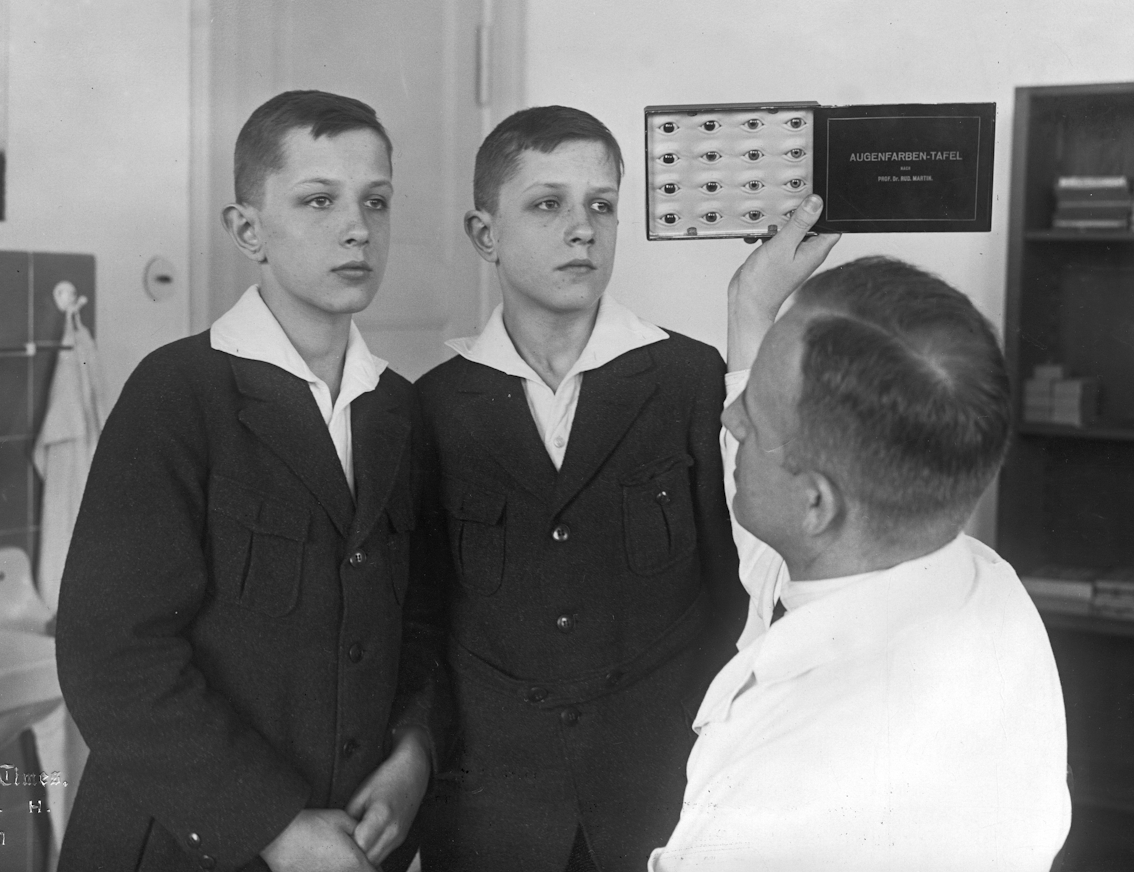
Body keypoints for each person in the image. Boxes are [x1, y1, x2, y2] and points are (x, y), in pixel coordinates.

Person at [56, 90, 447, 872]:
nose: (356, 228)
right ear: (246, 229)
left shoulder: (399, 408)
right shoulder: (178, 394)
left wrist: (415, 755)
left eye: (376, 201)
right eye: (317, 200)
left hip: (353, 844)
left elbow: (422, 627)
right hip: (180, 842)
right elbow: (112, 656)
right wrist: (272, 826)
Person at [649, 198, 1071, 871]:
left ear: (817, 502)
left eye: (751, 415)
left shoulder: (792, 790)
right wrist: (749, 309)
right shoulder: (974, 577)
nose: (728, 418)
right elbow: (780, 547)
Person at [414, 106, 747, 872]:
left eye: (601, 205)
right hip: (493, 819)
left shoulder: (687, 378)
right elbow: (422, 623)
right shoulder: (431, 407)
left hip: (660, 802)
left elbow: (739, 596)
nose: (582, 229)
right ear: (484, 235)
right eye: (547, 204)